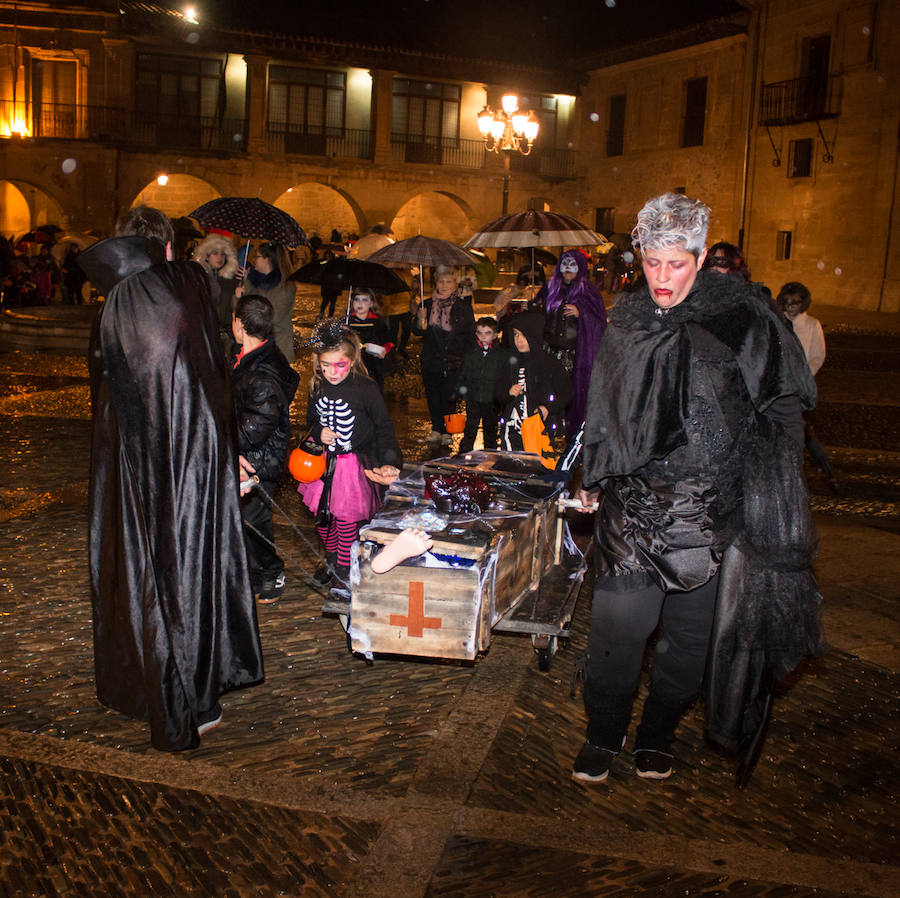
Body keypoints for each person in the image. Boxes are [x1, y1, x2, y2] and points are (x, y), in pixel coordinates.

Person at [573, 192, 822, 786]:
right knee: (616, 638)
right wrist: (593, 477)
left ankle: (656, 735)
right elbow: (606, 409)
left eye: (676, 263)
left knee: (686, 647)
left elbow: (783, 410)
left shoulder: (742, 318)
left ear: (701, 255)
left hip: (712, 517)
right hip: (632, 512)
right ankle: (603, 734)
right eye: (652, 261)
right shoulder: (629, 318)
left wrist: (779, 495)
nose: (661, 277)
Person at [79, 204, 264, 752]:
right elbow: (209, 370)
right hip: (188, 462)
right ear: (165, 247)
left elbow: (107, 388)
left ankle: (152, 690)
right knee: (188, 572)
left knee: (142, 573)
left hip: (131, 468)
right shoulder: (185, 282)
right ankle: (192, 700)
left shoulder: (111, 305)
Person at [297, 319, 402, 586]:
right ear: (317, 363)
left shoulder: (365, 388)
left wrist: (389, 461)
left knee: (345, 521)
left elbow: (384, 426)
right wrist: (317, 432)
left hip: (352, 464)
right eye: (326, 365)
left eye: (339, 365)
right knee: (323, 520)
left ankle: (344, 567)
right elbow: (312, 419)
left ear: (352, 359)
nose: (332, 372)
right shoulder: (316, 385)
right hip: (323, 464)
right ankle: (332, 559)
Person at [231, 293, 301, 603]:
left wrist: (222, 441)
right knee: (244, 520)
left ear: (239, 324)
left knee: (253, 521)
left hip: (261, 461)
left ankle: (272, 571)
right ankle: (251, 571)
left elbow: (256, 427)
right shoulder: (247, 358)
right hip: (249, 457)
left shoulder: (262, 372)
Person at [532, 249, 607, 443]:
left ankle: (573, 433)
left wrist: (581, 313)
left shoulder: (588, 291)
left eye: (572, 265)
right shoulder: (550, 289)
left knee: (572, 393)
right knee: (550, 392)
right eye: (564, 265)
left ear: (580, 267)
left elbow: (600, 323)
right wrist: (533, 302)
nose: (567, 269)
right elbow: (538, 318)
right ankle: (549, 431)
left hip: (575, 354)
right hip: (550, 351)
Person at [777, 281, 838, 491]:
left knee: (805, 432)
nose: (791, 307)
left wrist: (803, 377)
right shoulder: (777, 322)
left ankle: (825, 469)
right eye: (787, 302)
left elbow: (818, 355)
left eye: (795, 303)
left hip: (801, 387)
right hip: (780, 385)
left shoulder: (812, 325)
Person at [495, 310, 571, 460]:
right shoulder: (510, 363)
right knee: (512, 466)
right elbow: (497, 394)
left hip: (539, 429)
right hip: (513, 428)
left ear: (534, 335)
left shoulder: (549, 364)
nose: (520, 340)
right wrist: (508, 393)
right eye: (516, 335)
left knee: (536, 468)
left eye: (524, 335)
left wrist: (548, 408)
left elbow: (566, 393)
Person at [412, 265, 475, 444]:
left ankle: (448, 430)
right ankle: (436, 428)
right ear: (436, 283)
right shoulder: (427, 305)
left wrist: (468, 359)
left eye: (449, 281)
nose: (445, 285)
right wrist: (419, 319)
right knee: (433, 396)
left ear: (455, 284)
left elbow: (470, 334)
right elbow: (417, 332)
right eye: (441, 281)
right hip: (432, 358)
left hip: (453, 360)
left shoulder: (462, 306)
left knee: (450, 396)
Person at [236, 241, 297, 362]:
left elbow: (272, 318)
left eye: (257, 257)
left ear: (267, 259)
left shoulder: (286, 285)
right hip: (257, 349)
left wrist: (246, 297)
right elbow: (239, 311)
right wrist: (241, 292)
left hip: (278, 351)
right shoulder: (254, 280)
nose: (254, 260)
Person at [454, 316, 508, 454]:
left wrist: (501, 397)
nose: (483, 337)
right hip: (474, 398)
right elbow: (465, 373)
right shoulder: (472, 352)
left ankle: (490, 456)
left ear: (495, 335)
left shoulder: (501, 355)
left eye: (488, 333)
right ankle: (464, 455)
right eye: (480, 333)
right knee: (470, 429)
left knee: (490, 430)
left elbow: (503, 377)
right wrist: (462, 391)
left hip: (492, 400)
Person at [193, 233, 240, 349]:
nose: (219, 258)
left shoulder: (231, 279)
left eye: (222, 254)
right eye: (215, 253)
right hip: (203, 333)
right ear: (207, 255)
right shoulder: (197, 276)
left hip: (225, 334)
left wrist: (238, 297)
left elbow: (235, 310)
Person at [347, 288, 392, 390]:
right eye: (357, 299)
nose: (360, 303)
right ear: (352, 302)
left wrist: (384, 350)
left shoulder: (378, 322)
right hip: (352, 365)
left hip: (373, 365)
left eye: (364, 300)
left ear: (371, 303)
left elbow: (388, 341)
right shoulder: (347, 322)